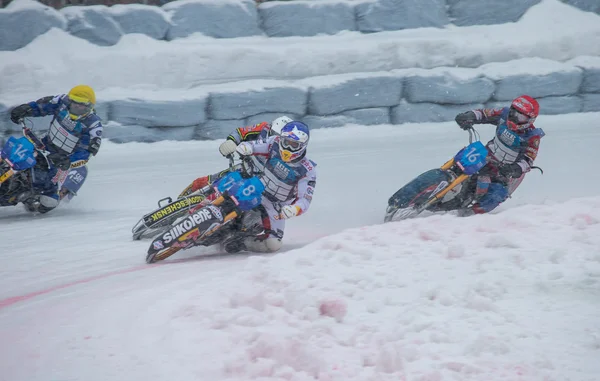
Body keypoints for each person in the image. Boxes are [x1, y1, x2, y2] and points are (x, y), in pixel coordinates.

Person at [223, 120, 317, 253]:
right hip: (256, 186)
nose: (288, 148)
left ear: (302, 146)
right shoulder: (274, 142)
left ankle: (244, 242)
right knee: (230, 182)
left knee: (273, 245)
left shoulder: (308, 170)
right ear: (281, 139)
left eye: (294, 145)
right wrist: (247, 147)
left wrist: (294, 209)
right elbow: (256, 145)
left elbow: (305, 200)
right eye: (286, 142)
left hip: (275, 204)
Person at [9, 85, 103, 213]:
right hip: (44, 144)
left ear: (89, 106)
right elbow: (43, 106)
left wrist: (67, 160)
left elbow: (87, 152)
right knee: (13, 152)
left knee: (49, 200)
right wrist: (27, 109)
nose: (77, 107)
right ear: (70, 100)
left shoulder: (93, 125)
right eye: (74, 103)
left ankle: (46, 196)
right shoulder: (62, 101)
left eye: (81, 105)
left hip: (61, 160)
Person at [454, 95, 544, 215]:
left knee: (497, 194)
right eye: (513, 112)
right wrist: (469, 116)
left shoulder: (532, 136)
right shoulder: (504, 114)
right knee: (460, 162)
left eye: (520, 116)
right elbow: (484, 114)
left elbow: (528, 160)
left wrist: (514, 169)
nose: (514, 117)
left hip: (505, 172)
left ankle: (469, 214)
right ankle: (444, 179)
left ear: (530, 119)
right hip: (486, 155)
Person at [178, 116, 293, 197]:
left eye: (281, 138)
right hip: (244, 168)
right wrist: (232, 142)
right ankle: (177, 204)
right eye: (274, 134)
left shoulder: (292, 154)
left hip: (263, 186)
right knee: (202, 183)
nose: (276, 139)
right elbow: (240, 132)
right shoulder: (263, 128)